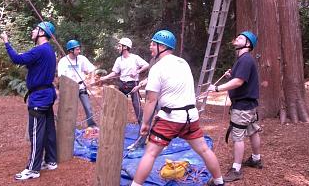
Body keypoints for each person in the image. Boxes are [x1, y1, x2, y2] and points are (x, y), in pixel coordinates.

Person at [131, 30, 225, 186]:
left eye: (153, 44)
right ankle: (219, 182)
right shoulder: (182, 62)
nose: (150, 47)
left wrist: (145, 124)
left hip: (171, 118)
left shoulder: (157, 67)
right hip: (190, 117)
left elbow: (151, 100)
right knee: (204, 150)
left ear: (162, 46)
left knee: (150, 153)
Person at [0, 21, 58, 180]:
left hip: (39, 98)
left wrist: (6, 41)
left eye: (35, 29)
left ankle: (33, 169)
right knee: (48, 130)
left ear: (41, 33)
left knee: (36, 133)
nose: (32, 31)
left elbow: (17, 59)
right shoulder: (49, 51)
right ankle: (51, 161)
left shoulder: (39, 50)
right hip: (47, 95)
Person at [208, 31, 262, 182]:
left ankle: (236, 169)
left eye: (241, 37)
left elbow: (238, 82)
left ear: (248, 44)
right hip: (249, 105)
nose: (237, 37)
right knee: (252, 131)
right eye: (237, 36)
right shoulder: (243, 60)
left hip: (242, 106)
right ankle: (256, 159)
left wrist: (217, 88)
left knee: (238, 137)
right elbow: (240, 79)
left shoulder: (245, 60)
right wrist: (230, 76)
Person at [100, 37, 149, 125]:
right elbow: (115, 72)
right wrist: (105, 77)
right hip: (122, 85)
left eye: (119, 46)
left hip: (133, 84)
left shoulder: (135, 58)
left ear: (125, 47)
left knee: (136, 105)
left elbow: (146, 65)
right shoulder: (119, 60)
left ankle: (142, 126)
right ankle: (119, 125)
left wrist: (137, 71)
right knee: (120, 105)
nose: (118, 48)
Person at [57, 40, 97, 128]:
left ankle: (92, 125)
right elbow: (61, 77)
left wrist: (92, 79)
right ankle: (67, 127)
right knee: (69, 109)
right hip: (69, 89)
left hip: (81, 87)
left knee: (88, 107)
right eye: (77, 49)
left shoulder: (81, 59)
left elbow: (91, 69)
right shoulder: (63, 61)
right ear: (71, 50)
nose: (79, 51)